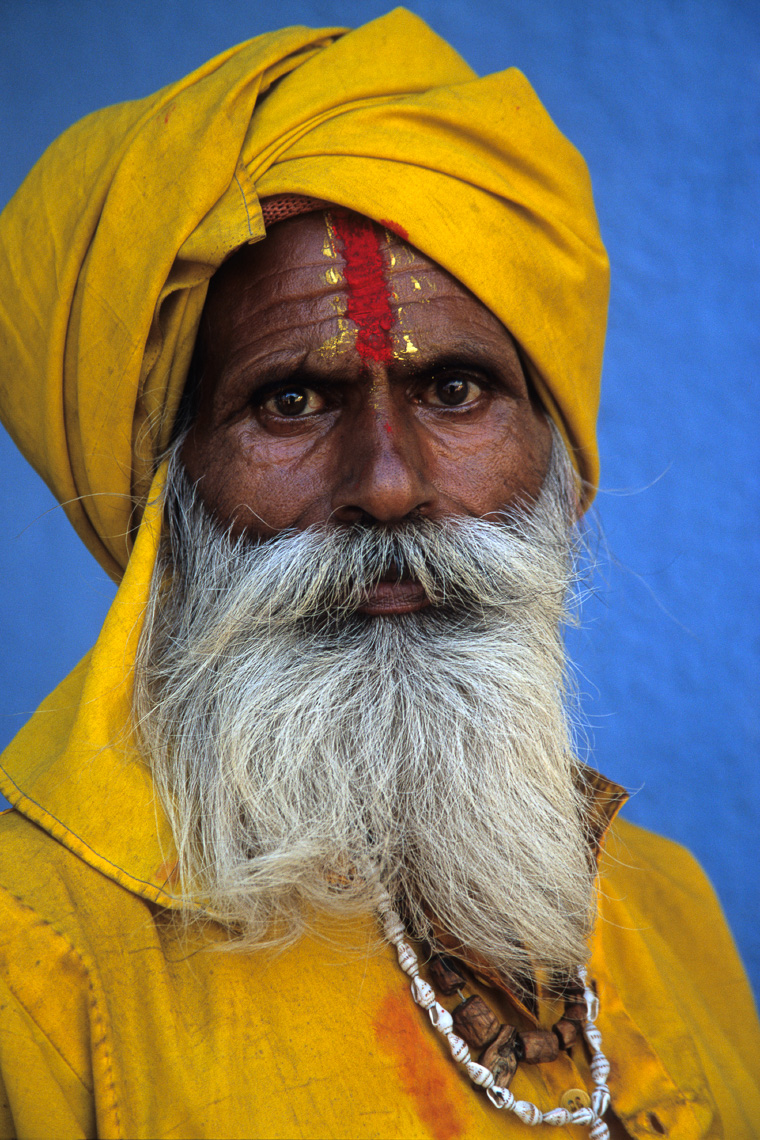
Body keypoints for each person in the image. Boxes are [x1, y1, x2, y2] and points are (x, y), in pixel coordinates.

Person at [0, 10, 757, 1139]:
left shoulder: (667, 902)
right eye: (290, 402)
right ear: (168, 492)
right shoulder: (33, 957)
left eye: (455, 391)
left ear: (560, 461)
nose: (390, 486)